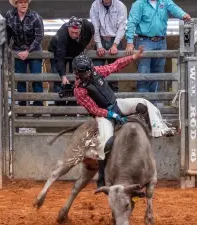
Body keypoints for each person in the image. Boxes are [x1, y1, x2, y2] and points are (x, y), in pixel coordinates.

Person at [72, 46, 176, 187]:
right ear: (79, 73)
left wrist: (133, 57)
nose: (91, 72)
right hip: (103, 116)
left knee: (143, 103)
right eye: (87, 71)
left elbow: (115, 66)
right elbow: (94, 109)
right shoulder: (79, 90)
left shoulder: (95, 72)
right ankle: (102, 176)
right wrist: (111, 114)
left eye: (91, 69)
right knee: (105, 144)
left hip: (115, 104)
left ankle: (159, 128)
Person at [125, 0, 191, 93]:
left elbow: (174, 8)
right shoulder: (139, 3)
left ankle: (153, 103)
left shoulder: (165, 1)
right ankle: (143, 103)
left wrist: (183, 15)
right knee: (143, 72)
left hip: (161, 41)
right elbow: (131, 22)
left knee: (157, 73)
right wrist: (129, 42)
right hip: (144, 41)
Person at [48, 16, 94, 106]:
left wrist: (82, 47)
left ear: (81, 30)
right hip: (58, 50)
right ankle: (59, 107)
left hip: (75, 50)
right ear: (68, 29)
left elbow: (89, 37)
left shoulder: (88, 27)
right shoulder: (63, 34)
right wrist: (63, 76)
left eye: (76, 33)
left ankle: (72, 105)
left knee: (76, 78)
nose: (73, 35)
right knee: (59, 79)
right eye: (71, 32)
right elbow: (60, 58)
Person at [6, 0, 44, 108]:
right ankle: (22, 106)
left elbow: (39, 36)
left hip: (34, 50)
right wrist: (8, 50)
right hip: (18, 50)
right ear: (16, 4)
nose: (23, 4)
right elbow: (7, 33)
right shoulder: (9, 15)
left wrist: (28, 51)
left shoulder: (35, 17)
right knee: (20, 79)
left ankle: (38, 105)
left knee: (36, 78)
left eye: (25, 2)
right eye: (20, 2)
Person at [90, 0, 127, 92]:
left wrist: (115, 45)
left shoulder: (120, 6)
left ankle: (114, 97)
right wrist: (99, 45)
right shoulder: (95, 5)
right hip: (101, 39)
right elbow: (95, 27)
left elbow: (122, 27)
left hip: (115, 40)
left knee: (114, 70)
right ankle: (98, 94)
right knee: (95, 70)